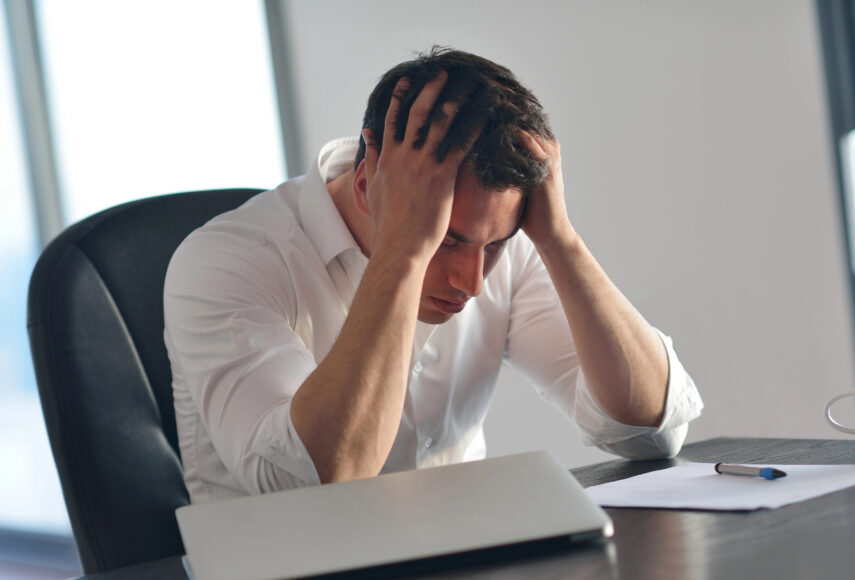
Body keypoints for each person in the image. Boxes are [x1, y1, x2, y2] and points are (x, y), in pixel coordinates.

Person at [164, 47, 703, 503]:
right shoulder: (223, 262)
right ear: (365, 185)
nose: (472, 282)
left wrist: (559, 240)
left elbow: (650, 431)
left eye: (494, 245)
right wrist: (403, 252)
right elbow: (310, 485)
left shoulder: (498, 242)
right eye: (448, 240)